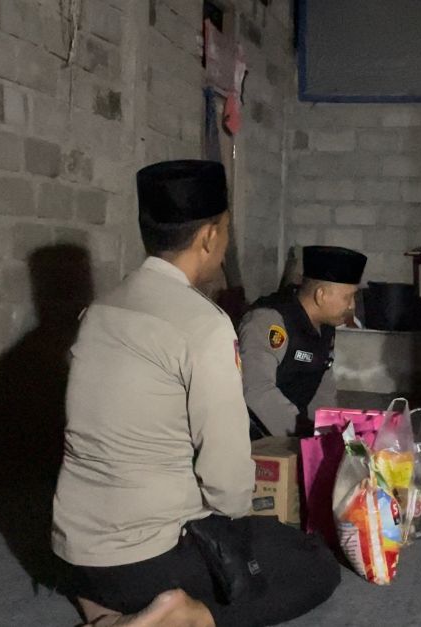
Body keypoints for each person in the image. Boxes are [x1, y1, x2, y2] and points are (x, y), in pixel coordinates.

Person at [52, 160, 340, 627]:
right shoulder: (203, 324)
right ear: (209, 237)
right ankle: (185, 617)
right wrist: (243, 521)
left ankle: (108, 614)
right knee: (313, 563)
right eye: (225, 231)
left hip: (74, 555)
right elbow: (227, 482)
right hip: (148, 559)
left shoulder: (100, 310)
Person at [239, 246, 367, 438]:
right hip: (251, 436)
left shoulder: (325, 327)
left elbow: (322, 386)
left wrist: (327, 433)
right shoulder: (269, 321)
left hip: (288, 434)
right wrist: (304, 432)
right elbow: (257, 390)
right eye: (347, 297)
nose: (352, 306)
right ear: (321, 295)